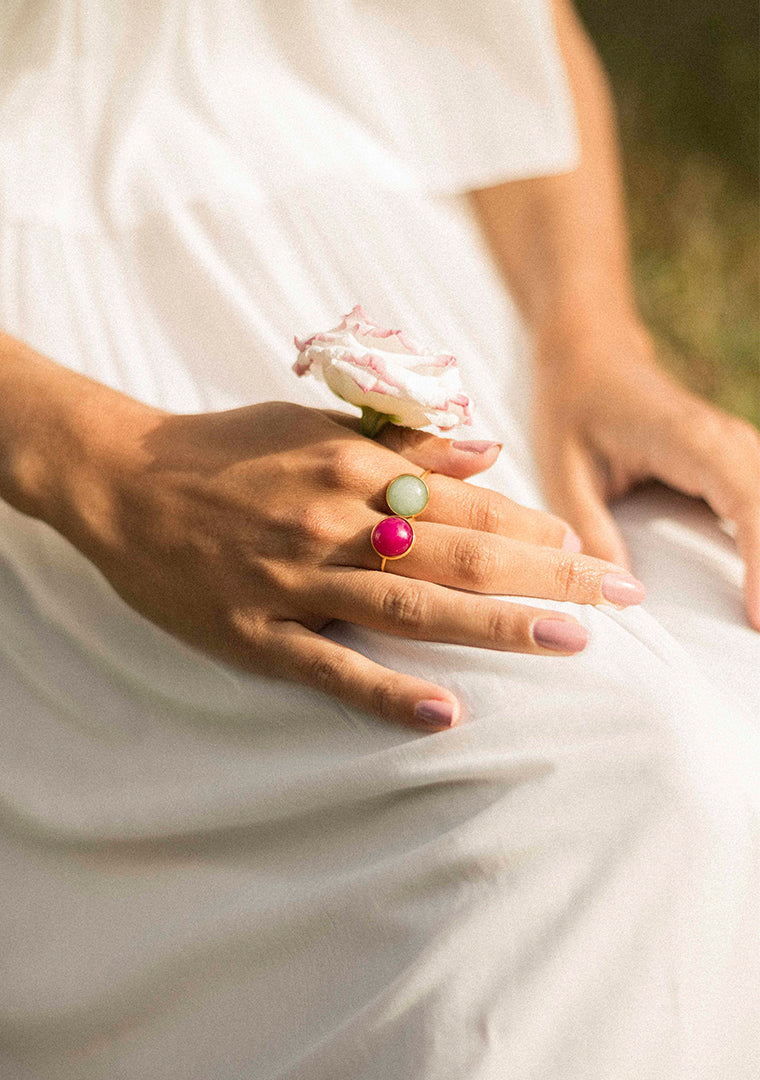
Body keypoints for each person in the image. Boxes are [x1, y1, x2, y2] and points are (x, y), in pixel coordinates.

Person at [0, 1, 757, 1078]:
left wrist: (590, 342)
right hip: (46, 398)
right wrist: (107, 469)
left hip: (399, 273)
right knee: (620, 790)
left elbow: (501, 32)